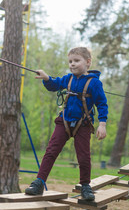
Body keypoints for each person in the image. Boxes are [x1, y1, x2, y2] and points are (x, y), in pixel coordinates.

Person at [25, 47, 108, 201]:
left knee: (83, 157)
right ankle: (39, 183)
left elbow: (102, 104)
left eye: (76, 61)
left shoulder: (94, 83)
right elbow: (54, 85)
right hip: (64, 122)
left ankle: (85, 186)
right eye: (70, 61)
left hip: (82, 124)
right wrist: (46, 78)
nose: (72, 64)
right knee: (51, 151)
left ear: (88, 62)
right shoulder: (67, 79)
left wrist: (102, 124)